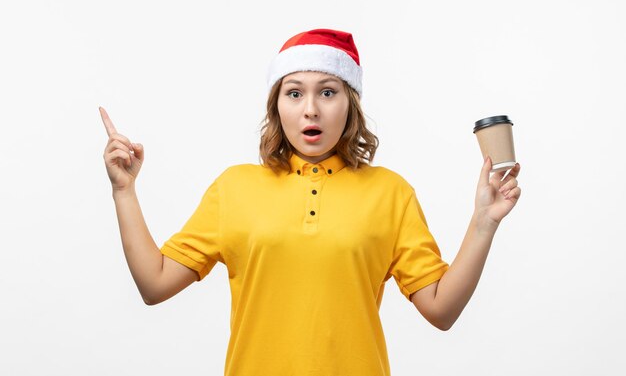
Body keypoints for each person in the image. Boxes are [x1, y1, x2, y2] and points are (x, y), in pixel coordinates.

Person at [100, 28, 522, 376]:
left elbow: (441, 310)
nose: (311, 110)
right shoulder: (235, 188)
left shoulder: (390, 193)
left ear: (349, 104)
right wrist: (125, 191)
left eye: (328, 92)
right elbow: (153, 285)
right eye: (295, 93)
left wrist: (484, 222)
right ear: (277, 105)